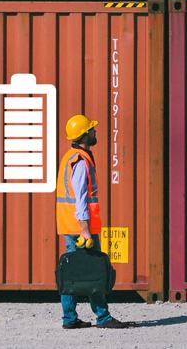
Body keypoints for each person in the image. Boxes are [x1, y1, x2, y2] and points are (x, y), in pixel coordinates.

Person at [56, 114, 134, 330]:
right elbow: (80, 197)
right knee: (93, 270)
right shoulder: (80, 161)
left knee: (72, 273)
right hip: (80, 228)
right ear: (84, 135)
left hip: (70, 225)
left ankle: (69, 318)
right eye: (91, 129)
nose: (94, 132)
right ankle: (103, 317)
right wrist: (85, 230)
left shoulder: (71, 157)